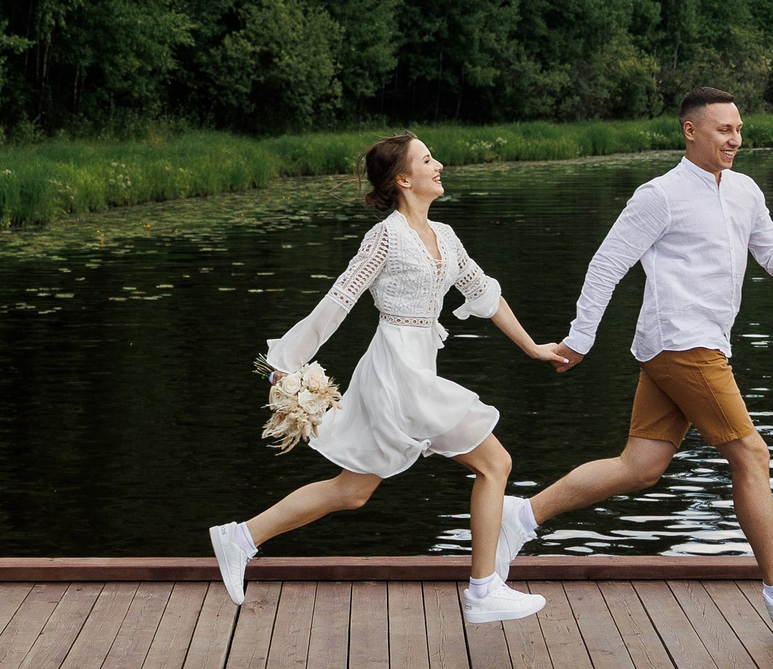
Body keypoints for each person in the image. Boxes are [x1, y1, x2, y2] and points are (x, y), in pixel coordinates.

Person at [497, 88, 773, 626]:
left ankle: (519, 516)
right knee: (752, 455)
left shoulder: (745, 191)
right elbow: (606, 265)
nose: (735, 139)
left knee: (639, 467)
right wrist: (580, 339)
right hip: (684, 343)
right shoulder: (658, 195)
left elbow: (767, 247)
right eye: (723, 130)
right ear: (691, 131)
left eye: (738, 129)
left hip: (695, 343)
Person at [211, 132, 564, 625]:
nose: (438, 164)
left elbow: (484, 294)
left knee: (353, 491)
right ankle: (484, 589)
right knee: (494, 464)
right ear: (403, 179)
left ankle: (239, 537)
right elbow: (338, 301)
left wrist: (532, 347)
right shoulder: (386, 236)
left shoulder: (446, 238)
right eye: (426, 159)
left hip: (416, 367)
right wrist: (286, 361)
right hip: (396, 371)